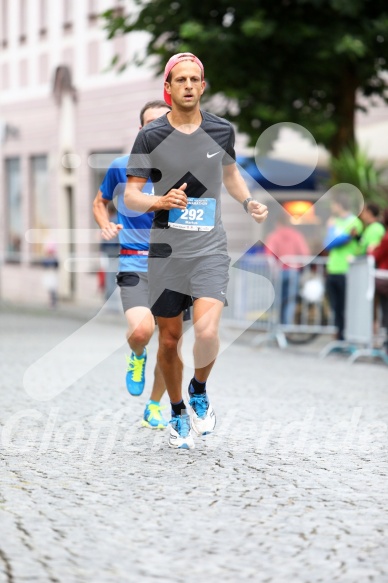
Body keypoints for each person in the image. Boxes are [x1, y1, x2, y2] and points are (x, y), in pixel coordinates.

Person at [125, 52, 268, 450]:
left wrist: (247, 202)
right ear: (167, 88)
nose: (188, 85)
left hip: (209, 248)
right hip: (167, 251)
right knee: (169, 341)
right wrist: (159, 202)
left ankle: (199, 388)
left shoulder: (221, 131)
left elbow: (230, 175)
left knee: (206, 331)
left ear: (203, 86)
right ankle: (176, 411)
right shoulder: (150, 135)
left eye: (195, 79)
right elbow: (132, 195)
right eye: (180, 79)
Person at [93, 100, 172, 429]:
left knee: (170, 343)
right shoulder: (121, 166)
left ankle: (154, 405)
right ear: (141, 130)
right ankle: (137, 354)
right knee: (142, 330)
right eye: (150, 125)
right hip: (135, 264)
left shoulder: (185, 170)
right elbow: (101, 202)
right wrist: (104, 222)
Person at [324, 193, 363, 341]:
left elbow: (334, 241)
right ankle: (339, 338)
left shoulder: (354, 221)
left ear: (339, 205)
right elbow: (328, 243)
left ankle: (349, 337)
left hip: (347, 270)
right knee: (336, 308)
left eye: (334, 204)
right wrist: (343, 237)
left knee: (347, 307)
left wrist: (338, 236)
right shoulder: (334, 221)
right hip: (333, 268)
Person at [264, 213, 310, 324]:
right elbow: (305, 253)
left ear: (277, 223)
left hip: (279, 272)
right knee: (290, 300)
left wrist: (273, 270)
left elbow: (269, 256)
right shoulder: (296, 235)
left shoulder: (274, 236)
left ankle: (278, 326)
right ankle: (287, 327)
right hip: (293, 271)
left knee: (278, 300)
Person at [371, 209, 388, 352]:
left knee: (385, 311)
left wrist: (371, 250)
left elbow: (377, 255)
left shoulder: (386, 237)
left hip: (384, 279)